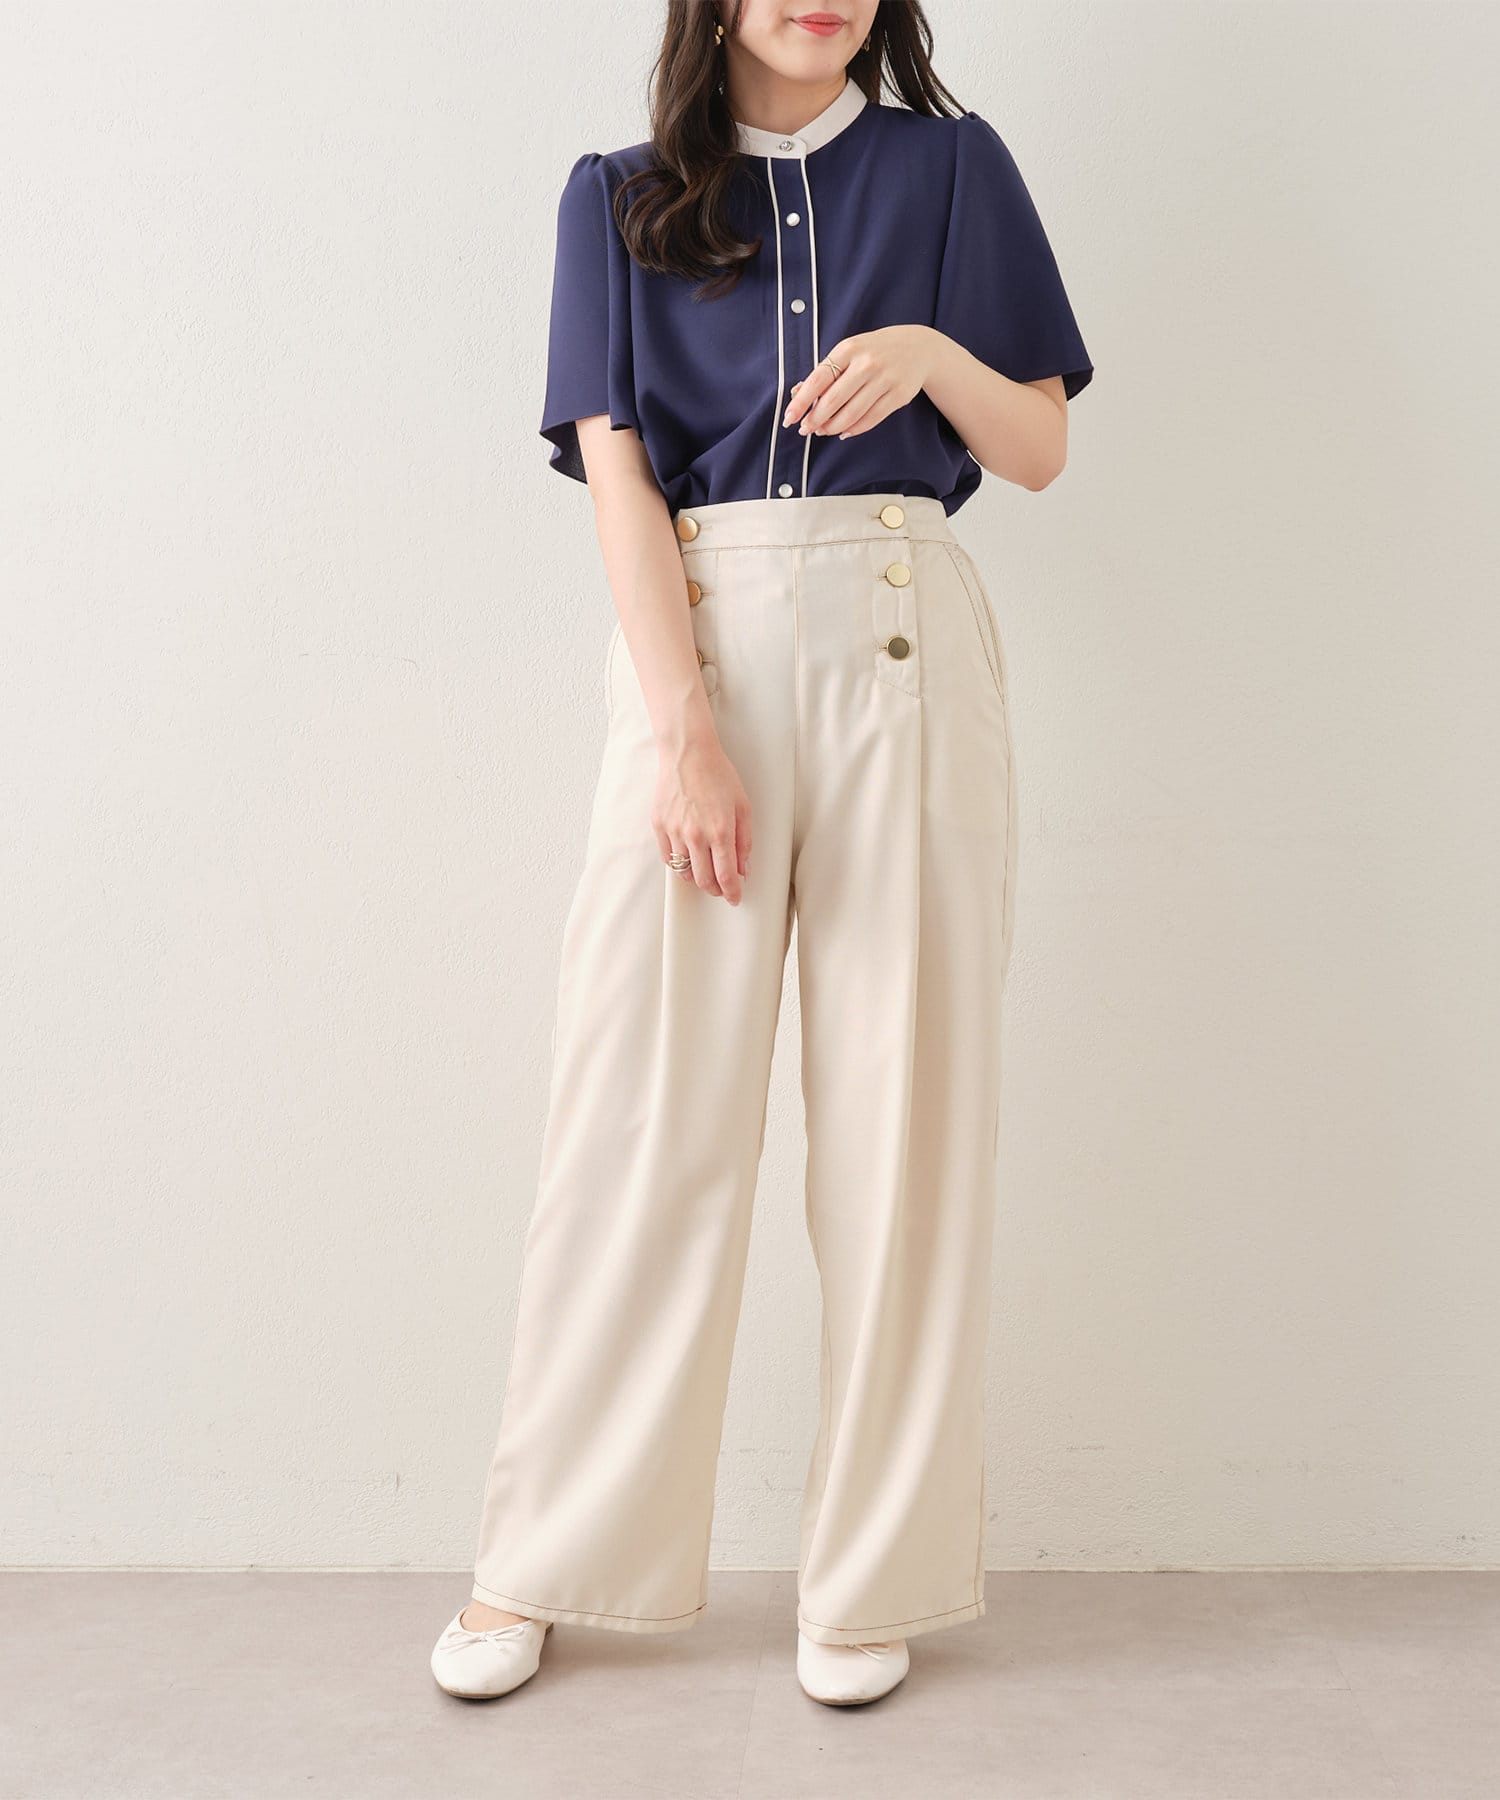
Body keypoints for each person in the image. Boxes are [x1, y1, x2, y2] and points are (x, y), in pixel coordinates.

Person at [431, 0, 1092, 1709]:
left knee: (904, 1125)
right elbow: (619, 481)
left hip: (904, 641)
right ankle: (542, 1559)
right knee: (640, 1120)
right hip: (700, 651)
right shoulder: (615, 196)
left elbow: (1036, 447)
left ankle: (870, 1578)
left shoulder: (953, 171)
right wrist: (686, 732)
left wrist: (932, 356)